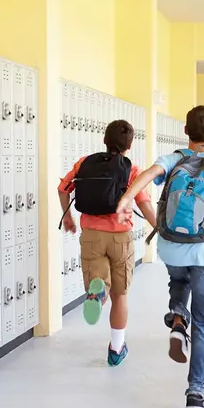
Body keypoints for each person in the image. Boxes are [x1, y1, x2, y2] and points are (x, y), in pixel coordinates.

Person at [117, 105, 204, 408]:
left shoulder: (173, 160)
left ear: (185, 132)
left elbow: (148, 175)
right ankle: (196, 390)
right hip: (203, 251)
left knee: (179, 277)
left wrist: (126, 199)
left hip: (170, 247)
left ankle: (176, 316)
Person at [58, 119, 156, 367]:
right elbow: (143, 204)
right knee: (120, 294)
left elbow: (63, 189)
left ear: (104, 140)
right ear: (130, 145)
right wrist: (160, 227)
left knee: (97, 284)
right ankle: (116, 348)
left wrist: (68, 217)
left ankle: (96, 294)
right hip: (120, 237)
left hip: (91, 234)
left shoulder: (84, 163)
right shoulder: (132, 170)